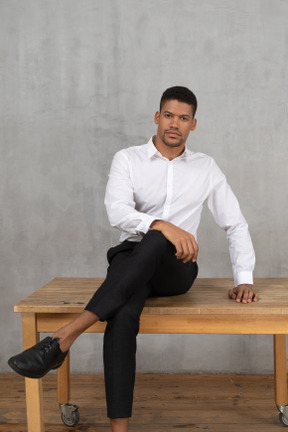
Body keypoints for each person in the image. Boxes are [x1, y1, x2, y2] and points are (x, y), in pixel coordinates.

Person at [8, 86, 257, 432]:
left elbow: (235, 222)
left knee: (156, 241)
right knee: (123, 313)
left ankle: (64, 337)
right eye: (169, 115)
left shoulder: (206, 168)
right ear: (157, 118)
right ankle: (119, 429)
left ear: (193, 125)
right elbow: (117, 211)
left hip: (177, 269)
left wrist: (244, 276)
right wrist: (163, 225)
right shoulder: (128, 158)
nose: (175, 124)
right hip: (132, 257)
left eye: (183, 118)